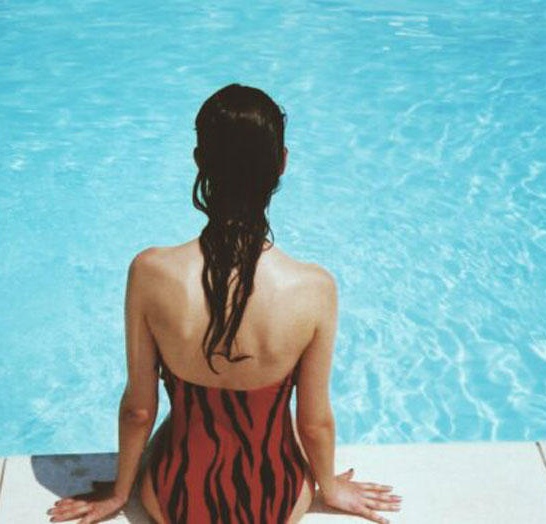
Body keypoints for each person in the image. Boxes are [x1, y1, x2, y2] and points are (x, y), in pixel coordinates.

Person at [47, 83, 401, 523]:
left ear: (200, 161)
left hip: (174, 499)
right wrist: (328, 487)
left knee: (168, 434)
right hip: (276, 500)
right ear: (282, 164)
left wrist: (121, 492)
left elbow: (139, 410)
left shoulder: (150, 271)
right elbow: (314, 424)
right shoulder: (313, 287)